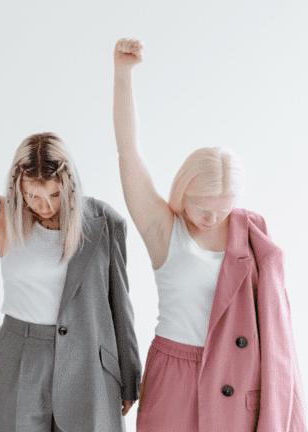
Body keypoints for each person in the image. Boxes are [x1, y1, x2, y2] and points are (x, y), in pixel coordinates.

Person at [0, 83, 140, 431]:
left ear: (70, 186)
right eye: (32, 195)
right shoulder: (5, 219)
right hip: (19, 355)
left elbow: (119, 302)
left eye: (54, 195)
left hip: (89, 361)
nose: (44, 206)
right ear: (18, 188)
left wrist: (130, 374)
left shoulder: (102, 222)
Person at [113, 37, 306, 431]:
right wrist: (123, 74)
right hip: (174, 369)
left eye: (223, 208)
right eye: (202, 207)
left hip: (238, 374)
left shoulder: (252, 239)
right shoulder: (164, 230)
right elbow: (128, 151)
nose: (212, 218)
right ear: (184, 192)